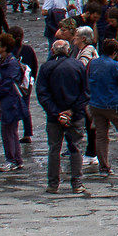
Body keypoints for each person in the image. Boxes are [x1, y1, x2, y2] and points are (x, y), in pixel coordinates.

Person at [37, 36, 87, 194]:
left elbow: (42, 94)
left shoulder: (46, 68)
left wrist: (56, 112)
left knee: (54, 149)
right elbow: (85, 92)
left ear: (53, 51)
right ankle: (77, 182)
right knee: (76, 148)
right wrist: (72, 111)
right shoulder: (78, 66)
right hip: (75, 115)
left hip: (54, 116)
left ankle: (53, 183)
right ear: (68, 50)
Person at [85, 38, 118, 177]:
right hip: (114, 104)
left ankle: (104, 167)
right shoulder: (116, 66)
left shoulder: (93, 63)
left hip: (96, 103)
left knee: (101, 136)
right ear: (115, 52)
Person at [0, 31, 32, 172]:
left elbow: (7, 84)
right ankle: (16, 159)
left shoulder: (10, 63)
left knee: (8, 131)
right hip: (8, 101)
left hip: (10, 102)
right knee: (11, 131)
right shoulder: (4, 61)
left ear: (5, 47)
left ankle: (12, 159)